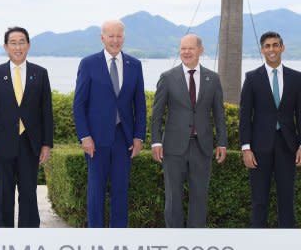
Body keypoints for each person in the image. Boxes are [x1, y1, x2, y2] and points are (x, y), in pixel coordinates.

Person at [72, 20, 146, 228]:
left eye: (119, 36)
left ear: (124, 37)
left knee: (121, 191)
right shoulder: (88, 64)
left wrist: (139, 136)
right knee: (95, 191)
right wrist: (84, 136)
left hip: (124, 139)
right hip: (95, 140)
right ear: (102, 37)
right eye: (111, 36)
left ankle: (118, 238)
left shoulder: (135, 65)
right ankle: (95, 237)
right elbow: (79, 104)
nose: (115, 40)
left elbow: (139, 105)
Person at [151, 33, 227, 228]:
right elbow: (157, 114)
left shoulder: (213, 78)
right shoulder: (167, 78)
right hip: (173, 148)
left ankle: (195, 242)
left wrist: (222, 142)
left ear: (200, 50)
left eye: (190, 48)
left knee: (200, 197)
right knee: (173, 197)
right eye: (183, 48)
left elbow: (219, 114)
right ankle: (175, 240)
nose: (186, 52)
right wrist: (156, 141)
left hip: (202, 147)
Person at [0, 27, 53, 228]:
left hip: (31, 144)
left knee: (29, 192)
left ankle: (28, 237)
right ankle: (5, 236)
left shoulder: (40, 73)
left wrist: (47, 144)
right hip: (2, 143)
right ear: (6, 47)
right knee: (4, 193)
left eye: (22, 42)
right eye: (13, 42)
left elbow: (46, 111)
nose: (18, 46)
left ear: (28, 45)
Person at [239, 31, 301, 228]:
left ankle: (288, 249)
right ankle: (256, 247)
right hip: (258, 148)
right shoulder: (252, 78)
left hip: (288, 146)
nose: (272, 49)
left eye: (275, 45)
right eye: (267, 46)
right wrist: (246, 148)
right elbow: (244, 116)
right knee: (259, 201)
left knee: (287, 200)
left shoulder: (296, 78)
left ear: (282, 48)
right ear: (262, 50)